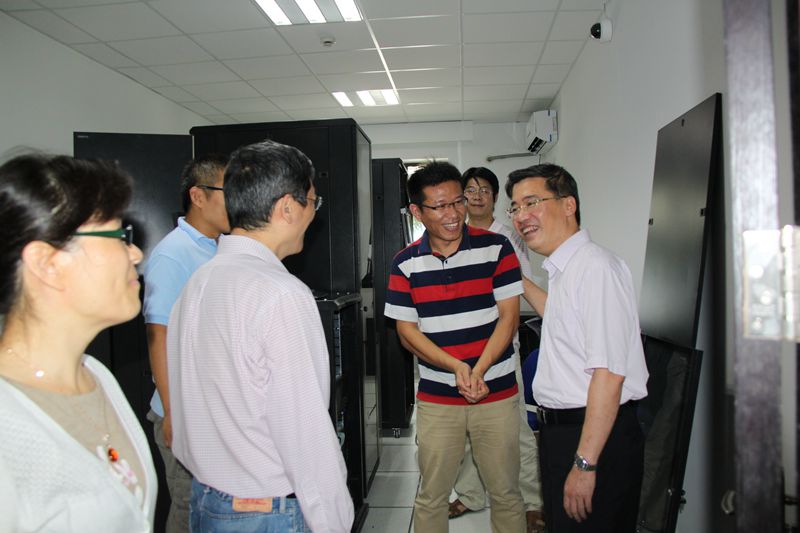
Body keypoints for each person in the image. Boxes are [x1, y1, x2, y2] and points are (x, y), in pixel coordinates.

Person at [168, 140, 354, 532]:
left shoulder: (198, 282)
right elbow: (304, 431)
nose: (313, 214)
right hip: (266, 512)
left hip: (207, 500)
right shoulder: (281, 294)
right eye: (312, 202)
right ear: (287, 207)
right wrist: (334, 521)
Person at [0, 153, 157, 532]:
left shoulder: (96, 376)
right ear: (47, 263)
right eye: (119, 236)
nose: (136, 253)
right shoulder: (8, 427)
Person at [505, 163, 649, 532]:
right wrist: (516, 279)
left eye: (531, 203)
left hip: (593, 436)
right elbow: (560, 317)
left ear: (568, 205)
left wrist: (585, 464)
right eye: (515, 207)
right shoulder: (567, 269)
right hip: (565, 433)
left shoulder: (596, 268)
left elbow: (609, 374)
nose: (521, 216)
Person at [385, 160, 525, 533]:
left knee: (506, 493)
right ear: (417, 212)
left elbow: (508, 317)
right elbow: (407, 332)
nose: (453, 214)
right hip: (438, 398)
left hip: (496, 392)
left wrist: (478, 370)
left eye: (458, 202)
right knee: (432, 496)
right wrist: (457, 367)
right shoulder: (405, 263)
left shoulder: (497, 247)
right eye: (440, 206)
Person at [449, 166, 545, 533]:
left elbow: (522, 287)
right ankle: (471, 495)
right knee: (466, 429)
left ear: (494, 198)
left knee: (515, 429)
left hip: (501, 349)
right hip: (462, 350)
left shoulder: (508, 237)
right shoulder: (454, 236)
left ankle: (532, 502)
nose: (476, 196)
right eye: (470, 190)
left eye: (484, 190)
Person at [143, 154, 228, 532]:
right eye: (228, 192)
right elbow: (158, 335)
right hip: (183, 411)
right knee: (188, 508)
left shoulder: (222, 246)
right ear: (198, 196)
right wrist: (172, 412)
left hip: (211, 408)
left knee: (212, 509)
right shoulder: (172, 253)